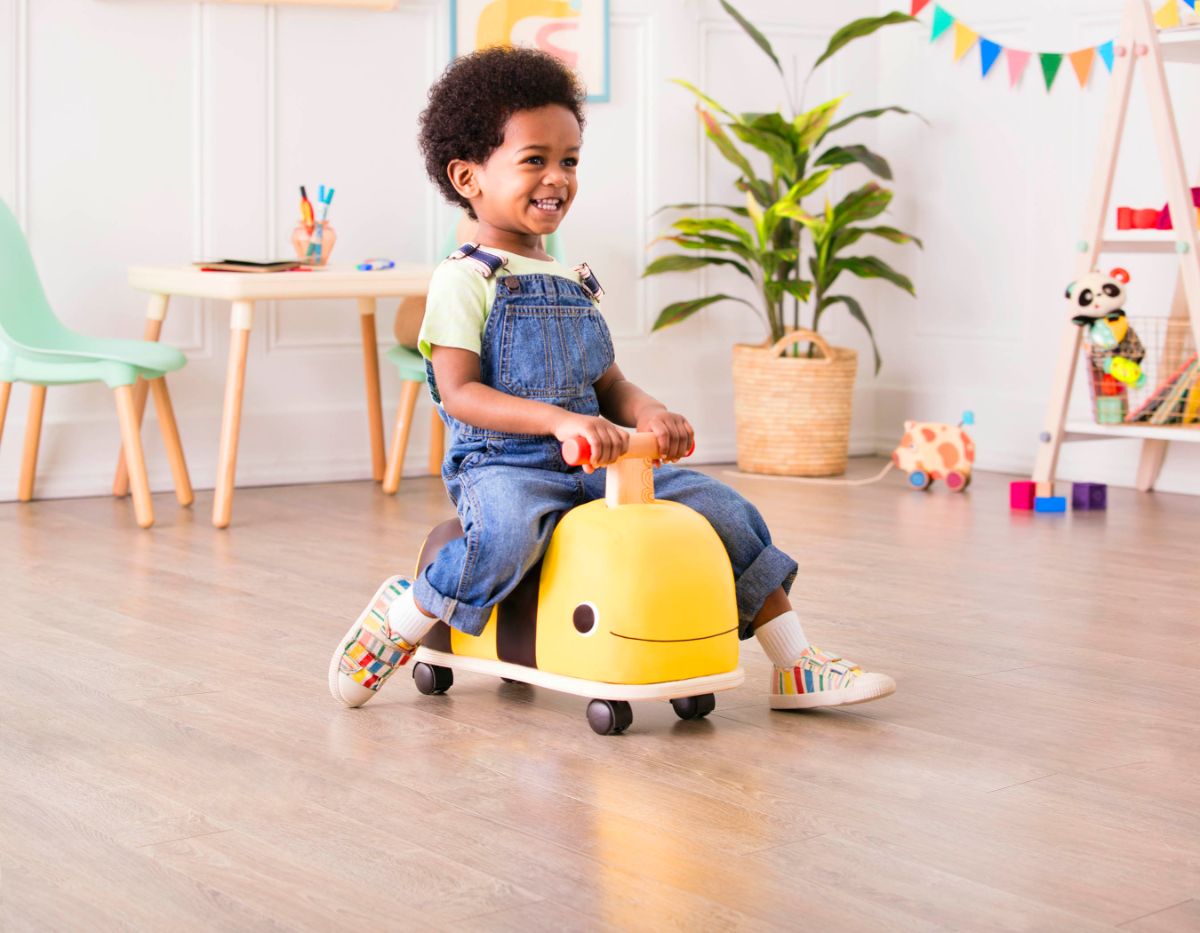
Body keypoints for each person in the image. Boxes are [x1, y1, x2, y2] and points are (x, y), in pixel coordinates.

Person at [328, 46, 895, 713]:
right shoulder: (464, 277)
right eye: (534, 159)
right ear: (468, 175)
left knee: (725, 510)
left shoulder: (574, 278)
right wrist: (558, 422)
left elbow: (608, 380)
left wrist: (648, 411)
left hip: (599, 455)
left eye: (569, 161)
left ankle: (795, 662)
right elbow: (460, 394)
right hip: (505, 461)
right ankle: (408, 613)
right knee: (506, 533)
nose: (557, 178)